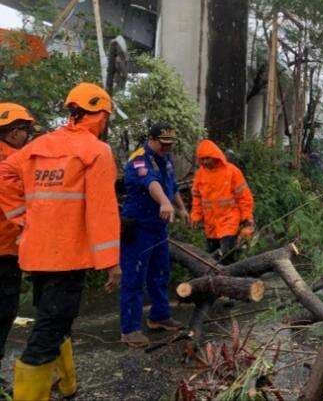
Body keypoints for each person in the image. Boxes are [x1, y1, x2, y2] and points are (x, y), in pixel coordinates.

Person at [0, 83, 122, 401]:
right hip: (66, 257)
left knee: (54, 318)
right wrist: (111, 262)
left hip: (36, 254)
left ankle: (67, 385)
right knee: (49, 329)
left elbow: (5, 175)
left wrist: (23, 217)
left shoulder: (41, 145)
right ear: (100, 115)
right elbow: (102, 210)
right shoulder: (96, 151)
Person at [120, 122, 188, 347]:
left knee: (160, 273)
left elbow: (172, 185)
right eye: (163, 144)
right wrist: (164, 202)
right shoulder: (138, 159)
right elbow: (151, 183)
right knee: (134, 277)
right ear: (151, 139)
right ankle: (129, 329)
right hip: (138, 228)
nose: (166, 148)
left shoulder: (166, 157)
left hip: (158, 227)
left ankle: (159, 316)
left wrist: (180, 207)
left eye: (170, 144)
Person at [0, 103, 35, 392]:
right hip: (6, 250)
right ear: (13, 132)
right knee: (3, 311)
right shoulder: (15, 162)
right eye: (25, 130)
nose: (27, 135)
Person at [190, 140, 254, 263]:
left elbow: (244, 198)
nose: (204, 162)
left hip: (229, 222)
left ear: (215, 156)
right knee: (211, 260)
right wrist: (196, 215)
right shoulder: (200, 175)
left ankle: (230, 280)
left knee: (225, 256)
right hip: (210, 225)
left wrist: (247, 220)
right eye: (201, 159)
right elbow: (197, 197)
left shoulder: (232, 172)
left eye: (207, 158)